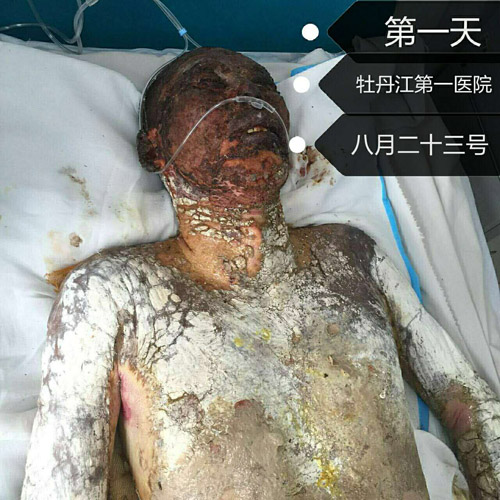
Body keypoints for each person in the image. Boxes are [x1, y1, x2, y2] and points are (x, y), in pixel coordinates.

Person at [22, 47, 500, 500]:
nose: (247, 99)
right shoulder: (113, 290)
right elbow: (64, 484)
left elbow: (469, 404)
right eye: (207, 85)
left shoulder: (353, 256)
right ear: (154, 148)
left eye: (263, 86)